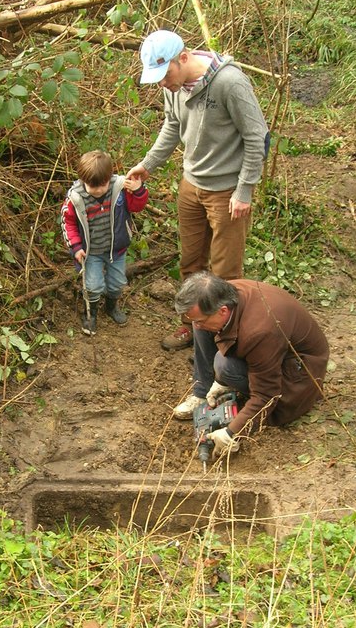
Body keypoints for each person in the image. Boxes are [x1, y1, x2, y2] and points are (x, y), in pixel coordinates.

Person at [126, 30, 269, 351]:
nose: (162, 83)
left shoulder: (229, 83)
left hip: (227, 192)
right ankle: (192, 328)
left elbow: (256, 136)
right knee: (191, 265)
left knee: (225, 274)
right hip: (191, 185)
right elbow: (172, 125)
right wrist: (148, 164)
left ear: (183, 57)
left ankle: (224, 343)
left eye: (165, 75)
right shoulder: (173, 88)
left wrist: (245, 189)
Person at [172, 272, 329, 458]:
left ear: (223, 311)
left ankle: (233, 384)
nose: (196, 325)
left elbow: (267, 394)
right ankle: (202, 393)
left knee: (224, 365)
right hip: (270, 353)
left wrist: (232, 433)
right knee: (202, 330)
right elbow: (208, 325)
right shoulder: (221, 293)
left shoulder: (261, 332)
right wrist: (217, 383)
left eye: (200, 320)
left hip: (299, 374)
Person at [61, 150, 149, 336]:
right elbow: (68, 223)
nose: (98, 190)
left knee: (117, 282)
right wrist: (76, 247)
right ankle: (90, 313)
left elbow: (136, 207)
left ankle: (111, 307)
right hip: (91, 252)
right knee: (93, 285)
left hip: (116, 249)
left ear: (109, 177)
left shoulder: (120, 188)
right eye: (92, 186)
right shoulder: (76, 198)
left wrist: (138, 190)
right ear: (83, 180)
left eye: (102, 185)